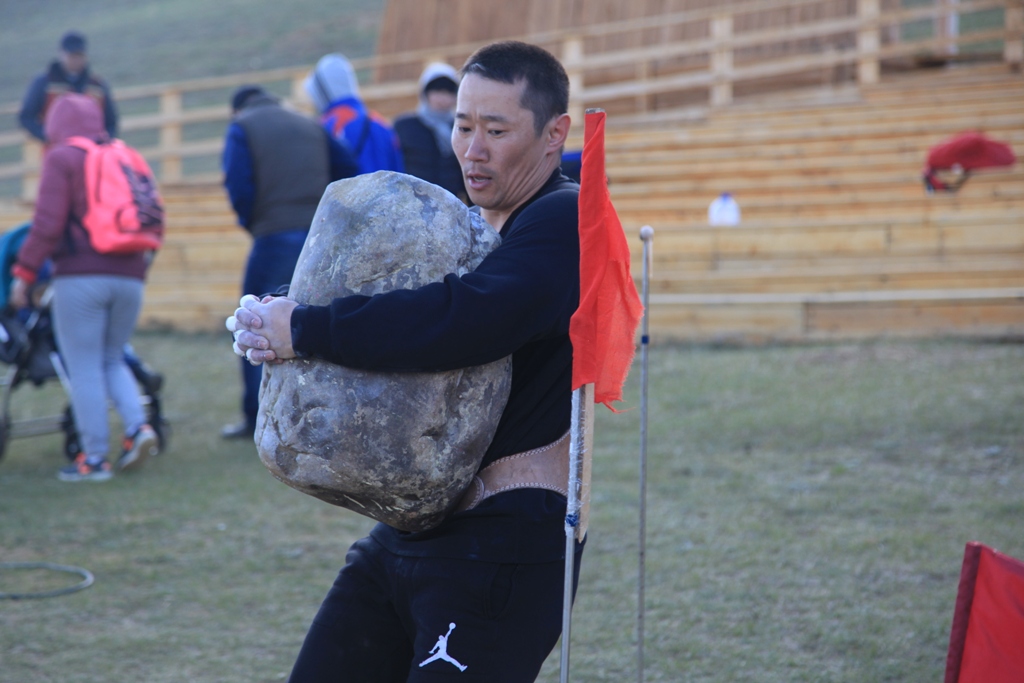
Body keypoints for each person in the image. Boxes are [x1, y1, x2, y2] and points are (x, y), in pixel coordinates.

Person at [230, 41, 584, 681]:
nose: (472, 150)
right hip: (407, 530)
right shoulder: (475, 225)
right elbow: (402, 303)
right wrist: (280, 310)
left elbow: (463, 319)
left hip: (503, 540)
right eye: (463, 125)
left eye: (496, 130)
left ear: (555, 133)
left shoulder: (565, 219)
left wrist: (305, 328)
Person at [9, 94, 156, 481]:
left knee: (84, 366)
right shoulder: (123, 154)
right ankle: (138, 427)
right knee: (112, 357)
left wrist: (23, 276)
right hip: (131, 276)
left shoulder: (62, 158)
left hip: (80, 276)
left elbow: (46, 225)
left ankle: (92, 460)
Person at [219, 85, 358, 440]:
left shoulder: (243, 126)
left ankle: (259, 419)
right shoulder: (310, 124)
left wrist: (256, 223)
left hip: (274, 236)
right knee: (312, 325)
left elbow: (238, 184)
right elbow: (349, 169)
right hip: (319, 239)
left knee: (254, 324)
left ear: (238, 109)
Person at [303, 53, 404, 175]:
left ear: (320, 91)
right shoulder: (381, 123)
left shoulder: (330, 125)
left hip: (349, 193)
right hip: (387, 193)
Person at [18, 31, 118, 144]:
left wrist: (103, 141)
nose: (76, 59)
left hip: (91, 152)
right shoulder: (44, 83)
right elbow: (26, 116)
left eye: (79, 55)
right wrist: (46, 136)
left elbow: (111, 122)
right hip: (54, 151)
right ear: (61, 54)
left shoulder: (98, 85)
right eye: (72, 55)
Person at [393, 63, 466, 201]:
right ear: (425, 93)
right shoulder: (405, 126)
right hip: (411, 202)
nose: (443, 98)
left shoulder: (461, 127)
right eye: (437, 91)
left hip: (449, 203)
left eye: (449, 92)